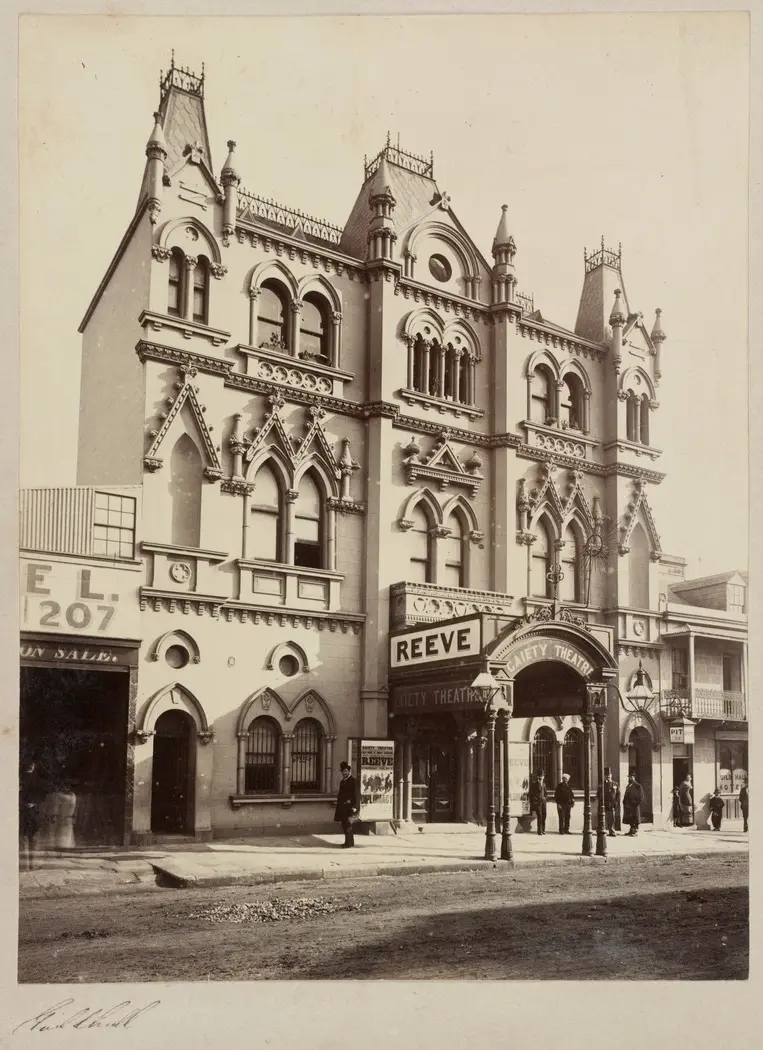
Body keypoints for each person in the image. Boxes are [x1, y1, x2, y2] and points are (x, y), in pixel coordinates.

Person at [19, 757, 48, 869]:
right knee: (33, 839)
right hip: (34, 813)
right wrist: (34, 803)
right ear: (33, 766)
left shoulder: (19, 778)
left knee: (23, 839)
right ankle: (33, 864)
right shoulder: (38, 780)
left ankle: (24, 865)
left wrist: (23, 804)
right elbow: (43, 798)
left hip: (23, 812)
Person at [334, 761, 360, 848]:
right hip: (342, 807)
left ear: (349, 771)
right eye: (342, 771)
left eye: (345, 771)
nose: (344, 773)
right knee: (344, 825)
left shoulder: (353, 781)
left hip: (350, 807)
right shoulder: (342, 782)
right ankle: (347, 842)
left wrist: (355, 807)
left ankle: (350, 843)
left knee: (348, 825)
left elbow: (356, 795)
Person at [622, 772, 644, 837]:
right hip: (628, 806)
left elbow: (641, 797)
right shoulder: (628, 786)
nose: (630, 778)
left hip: (634, 806)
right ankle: (631, 830)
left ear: (634, 777)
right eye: (629, 777)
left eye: (631, 777)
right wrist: (624, 802)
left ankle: (636, 831)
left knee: (636, 819)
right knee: (630, 819)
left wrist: (635, 803)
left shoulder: (638, 786)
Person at [528, 770, 548, 835]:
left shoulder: (544, 784)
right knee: (540, 815)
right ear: (537, 777)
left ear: (543, 777)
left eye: (542, 776)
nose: (541, 778)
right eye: (540, 776)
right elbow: (531, 793)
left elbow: (546, 793)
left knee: (544, 815)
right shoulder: (534, 784)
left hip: (543, 803)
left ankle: (543, 830)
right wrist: (534, 801)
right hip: (537, 803)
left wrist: (545, 798)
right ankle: (539, 830)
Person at [603, 768, 620, 838]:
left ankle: (612, 831)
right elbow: (599, 794)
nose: (608, 776)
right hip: (605, 804)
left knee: (612, 818)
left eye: (609, 775)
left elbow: (618, 794)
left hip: (612, 804)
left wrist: (616, 802)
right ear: (604, 776)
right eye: (607, 775)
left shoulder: (615, 784)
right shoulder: (602, 784)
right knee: (604, 817)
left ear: (611, 775)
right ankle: (605, 830)